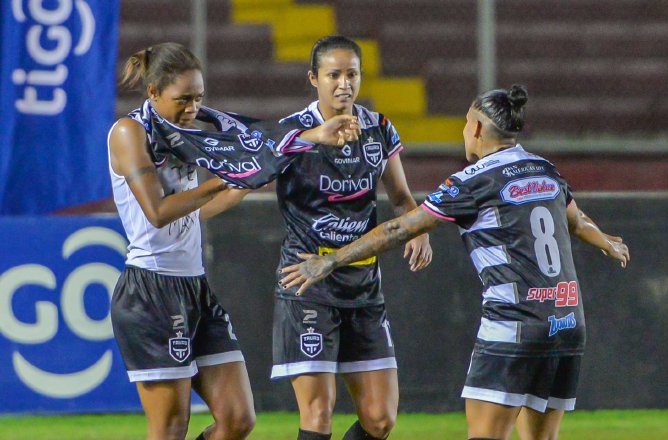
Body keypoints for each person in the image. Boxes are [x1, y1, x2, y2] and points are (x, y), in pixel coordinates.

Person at [281, 85, 631, 440]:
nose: (464, 131)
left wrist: (332, 261)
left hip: (514, 327)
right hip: (568, 322)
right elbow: (577, 220)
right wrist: (607, 242)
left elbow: (399, 228)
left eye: (465, 123)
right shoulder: (544, 169)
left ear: (477, 128)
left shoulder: (474, 181)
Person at [109, 42, 359, 440]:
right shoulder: (129, 131)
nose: (192, 108)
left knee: (238, 420)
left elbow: (208, 201)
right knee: (170, 426)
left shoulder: (185, 134)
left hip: (195, 287)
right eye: (183, 99)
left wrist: (261, 169)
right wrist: (224, 178)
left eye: (199, 98)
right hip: (151, 291)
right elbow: (157, 212)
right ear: (153, 92)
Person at [270, 35, 433, 440]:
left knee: (380, 419)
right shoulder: (293, 132)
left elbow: (400, 197)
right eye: (334, 75)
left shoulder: (378, 128)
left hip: (363, 286)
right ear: (314, 78)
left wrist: (418, 228)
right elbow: (255, 158)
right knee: (318, 412)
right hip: (308, 282)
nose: (344, 83)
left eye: (352, 74)